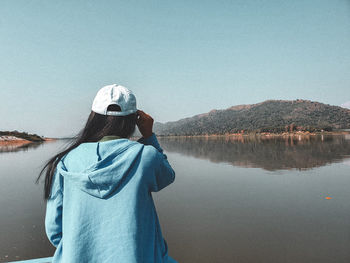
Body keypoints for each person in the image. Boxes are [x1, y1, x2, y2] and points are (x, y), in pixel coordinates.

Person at [37, 84, 177, 263]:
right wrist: (149, 135)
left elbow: (54, 229)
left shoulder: (65, 160)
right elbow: (167, 176)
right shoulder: (145, 155)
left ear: (93, 118)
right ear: (133, 119)